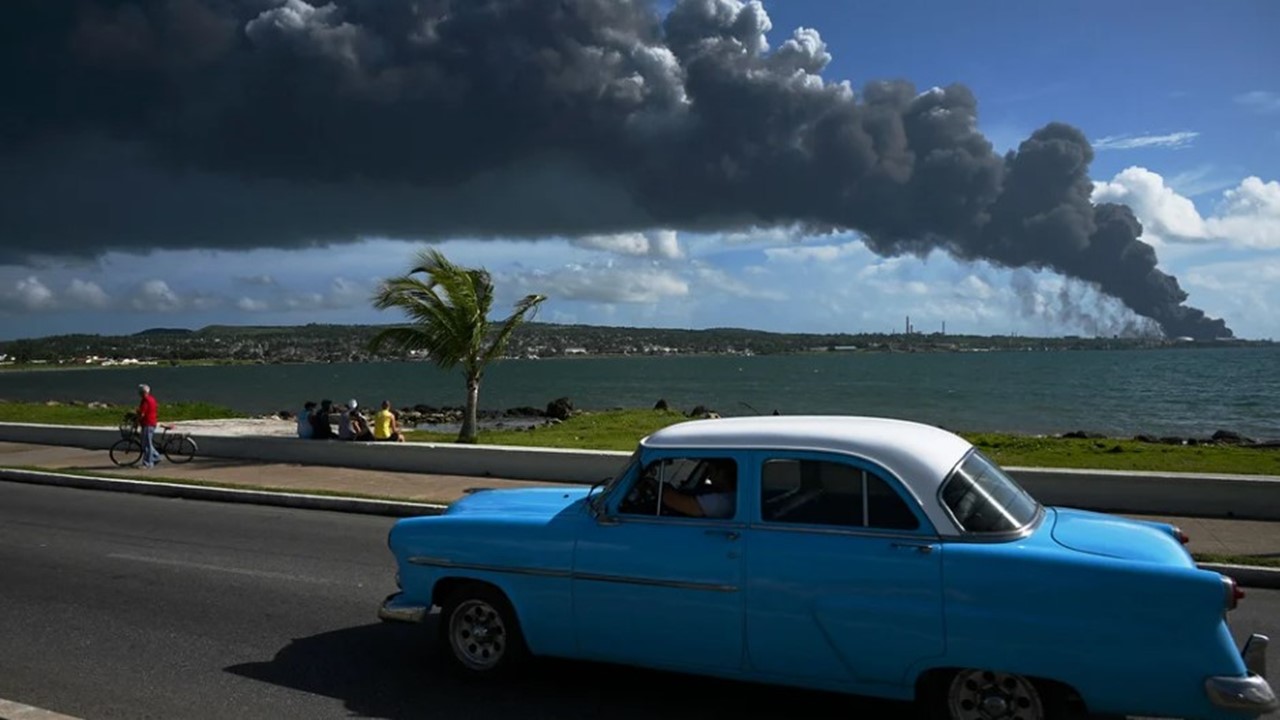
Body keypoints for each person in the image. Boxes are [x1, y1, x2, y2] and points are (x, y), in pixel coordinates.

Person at [657, 460, 737, 518]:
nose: (709, 476)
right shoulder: (731, 496)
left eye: (711, 471)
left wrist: (659, 488)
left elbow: (690, 507)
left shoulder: (724, 501)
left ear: (722, 473)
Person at [136, 383, 161, 468]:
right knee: (147, 443)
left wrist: (137, 420)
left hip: (147, 423)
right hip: (152, 422)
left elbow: (142, 413)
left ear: (142, 392)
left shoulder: (145, 400)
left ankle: (148, 463)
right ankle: (156, 456)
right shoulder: (152, 399)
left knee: (147, 445)